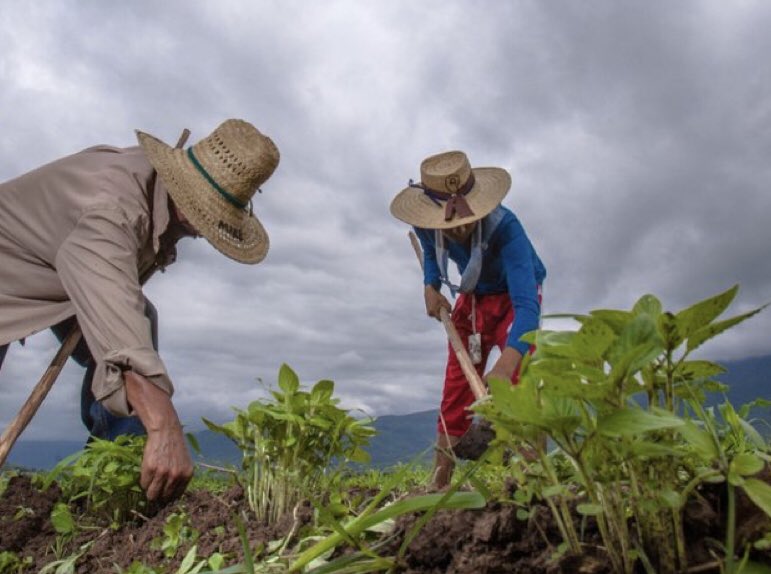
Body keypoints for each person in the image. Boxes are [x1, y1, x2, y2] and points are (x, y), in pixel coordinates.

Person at [0, 119, 280, 500]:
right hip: (11, 274)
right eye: (204, 219)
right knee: (131, 337)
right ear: (187, 200)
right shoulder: (115, 208)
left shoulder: (151, 191)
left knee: (140, 322)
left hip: (53, 270)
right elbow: (117, 315)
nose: (201, 232)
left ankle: (117, 479)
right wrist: (164, 426)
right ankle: (147, 455)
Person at [390, 150, 546, 489]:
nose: (458, 231)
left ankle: (538, 480)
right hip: (474, 295)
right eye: (450, 224)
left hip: (513, 297)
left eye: (465, 222)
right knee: (457, 382)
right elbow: (432, 252)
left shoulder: (507, 229)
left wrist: (507, 362)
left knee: (521, 378)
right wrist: (430, 285)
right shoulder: (426, 223)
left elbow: (527, 309)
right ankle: (440, 480)